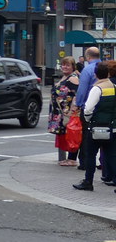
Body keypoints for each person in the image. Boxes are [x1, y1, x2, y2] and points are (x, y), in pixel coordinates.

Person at [74, 60, 116, 191]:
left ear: (96, 74)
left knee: (90, 155)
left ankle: (88, 182)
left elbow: (88, 109)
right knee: (111, 156)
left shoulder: (97, 89)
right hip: (111, 127)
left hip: (96, 128)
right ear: (108, 74)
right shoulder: (114, 87)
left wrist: (88, 119)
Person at [48, 56, 80, 165]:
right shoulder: (64, 77)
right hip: (60, 112)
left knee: (71, 134)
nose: (65, 67)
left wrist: (72, 111)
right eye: (63, 65)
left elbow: (77, 95)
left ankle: (72, 159)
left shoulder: (73, 78)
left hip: (67, 113)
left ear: (73, 67)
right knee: (65, 135)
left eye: (68, 65)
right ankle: (69, 158)